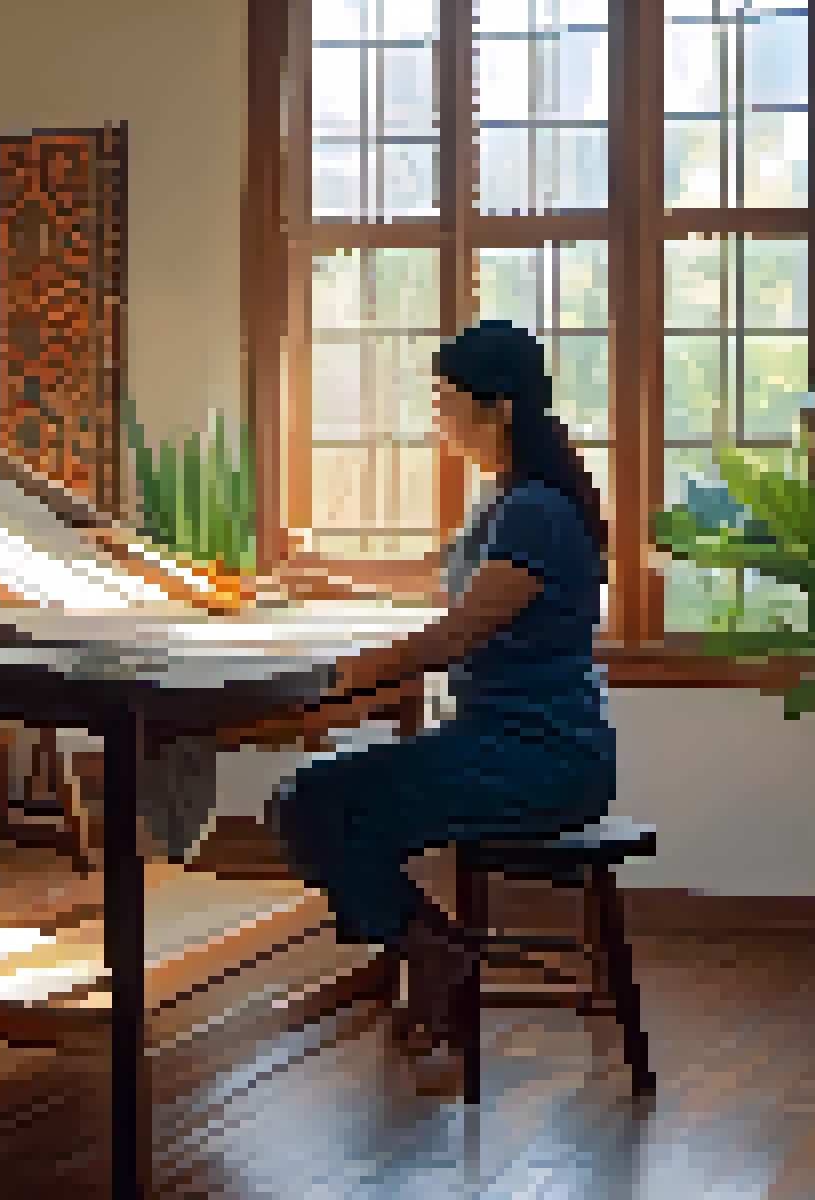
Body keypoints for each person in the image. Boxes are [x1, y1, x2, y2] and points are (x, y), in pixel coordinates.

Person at [228, 318, 617, 1056]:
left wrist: (340, 678)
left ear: (498, 407)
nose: (438, 418)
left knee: (313, 804)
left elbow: (455, 633)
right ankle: (431, 948)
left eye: (446, 400)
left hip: (542, 759)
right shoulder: (509, 500)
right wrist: (329, 576)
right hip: (505, 746)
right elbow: (439, 572)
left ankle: (430, 950)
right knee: (324, 804)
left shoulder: (534, 510)